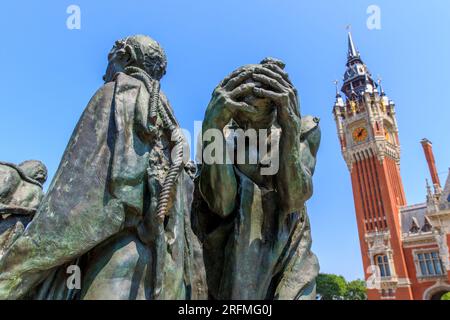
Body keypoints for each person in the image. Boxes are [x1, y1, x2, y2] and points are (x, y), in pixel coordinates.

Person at [0, 35, 206, 300]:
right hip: (159, 273)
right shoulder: (172, 125)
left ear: (127, 56)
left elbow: (71, 207)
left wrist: (13, 271)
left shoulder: (117, 95)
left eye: (110, 59)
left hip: (111, 264)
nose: (103, 73)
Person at [194, 58, 321, 299]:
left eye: (259, 118)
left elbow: (294, 199)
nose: (249, 127)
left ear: (275, 111)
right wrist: (212, 126)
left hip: (287, 243)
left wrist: (290, 132)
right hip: (226, 247)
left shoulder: (302, 129)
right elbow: (222, 204)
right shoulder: (217, 132)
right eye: (243, 118)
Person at [0, 160, 47, 257]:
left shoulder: (39, 194)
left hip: (10, 233)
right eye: (38, 167)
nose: (42, 173)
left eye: (44, 172)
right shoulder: (9, 173)